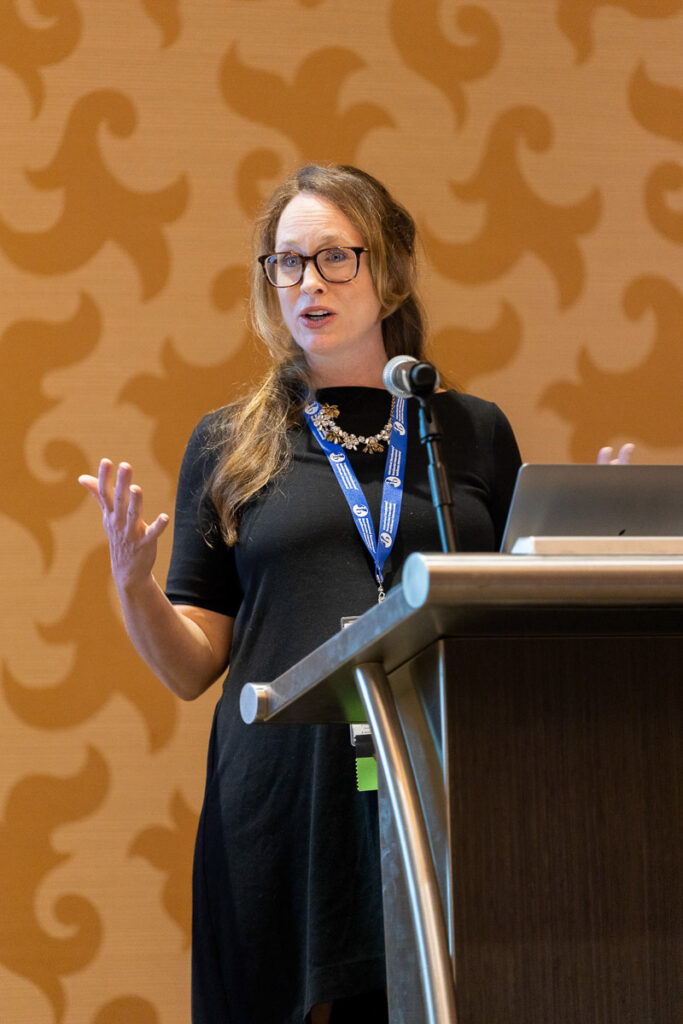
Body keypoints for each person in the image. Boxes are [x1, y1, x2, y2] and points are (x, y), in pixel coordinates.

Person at [78, 164, 629, 1024]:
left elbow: (515, 618)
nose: (307, 283)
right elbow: (192, 667)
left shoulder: (470, 432)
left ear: (390, 270)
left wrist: (593, 546)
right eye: (285, 263)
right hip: (282, 800)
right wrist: (133, 587)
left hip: (446, 784)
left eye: (334, 257)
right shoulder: (231, 442)